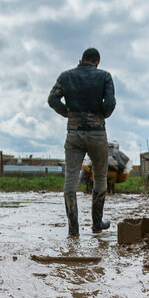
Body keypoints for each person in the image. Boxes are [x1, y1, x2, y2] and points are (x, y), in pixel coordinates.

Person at [47, 48, 116, 236]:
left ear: (81, 60)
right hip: (97, 133)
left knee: (71, 178)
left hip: (74, 134)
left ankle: (73, 228)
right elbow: (110, 104)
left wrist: (68, 113)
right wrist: (102, 114)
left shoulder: (66, 76)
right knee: (100, 177)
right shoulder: (105, 77)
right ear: (96, 63)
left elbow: (52, 99)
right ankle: (96, 223)